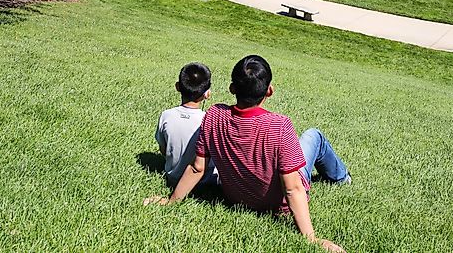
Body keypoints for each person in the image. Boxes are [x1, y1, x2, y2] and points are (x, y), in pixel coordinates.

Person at [146, 55, 349, 253]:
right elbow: (293, 189)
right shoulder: (280, 125)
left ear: (232, 88)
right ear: (269, 91)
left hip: (236, 198)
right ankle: (342, 179)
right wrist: (311, 239)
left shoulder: (214, 116)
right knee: (315, 136)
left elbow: (197, 167)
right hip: (277, 206)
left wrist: (171, 201)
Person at [155, 62, 218, 188]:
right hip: (202, 181)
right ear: (207, 94)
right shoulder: (208, 121)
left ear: (177, 87)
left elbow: (163, 149)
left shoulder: (166, 115)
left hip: (172, 177)